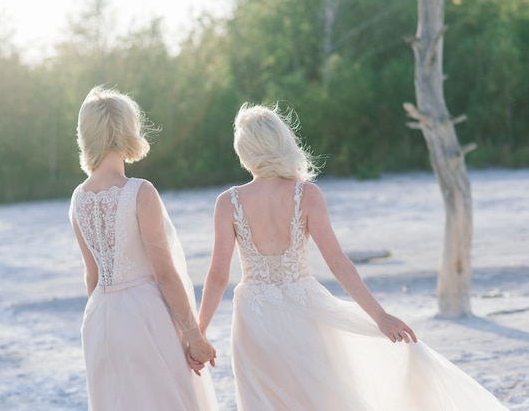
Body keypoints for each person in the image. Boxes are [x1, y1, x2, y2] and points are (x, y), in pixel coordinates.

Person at [196, 103, 509, 410]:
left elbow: (218, 276)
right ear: (280, 145)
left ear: (245, 150)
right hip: (303, 307)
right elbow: (338, 263)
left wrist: (199, 333)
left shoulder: (229, 202)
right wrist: (380, 317)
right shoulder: (306, 194)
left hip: (254, 315)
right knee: (316, 396)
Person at [69, 86, 218, 411]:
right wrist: (193, 334)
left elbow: (92, 276)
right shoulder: (139, 192)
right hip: (144, 314)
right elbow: (164, 272)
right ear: (127, 130)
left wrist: (102, 320)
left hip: (99, 317)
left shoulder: (78, 198)